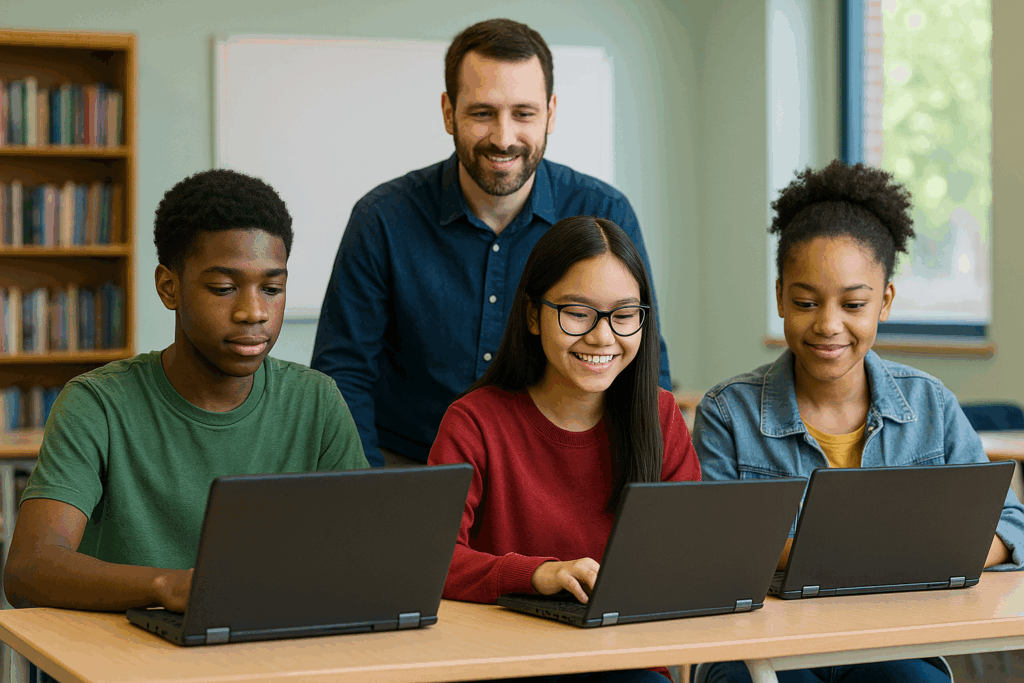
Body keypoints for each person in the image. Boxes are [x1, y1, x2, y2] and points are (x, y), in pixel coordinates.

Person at [691, 160, 1024, 683]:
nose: (828, 324)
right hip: (757, 651)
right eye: (805, 302)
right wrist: (868, 557)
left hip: (889, 647)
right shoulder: (727, 413)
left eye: (853, 304)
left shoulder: (930, 406)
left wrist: (921, 555)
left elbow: (1011, 526)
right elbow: (712, 546)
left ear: (884, 301)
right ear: (780, 297)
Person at [311, 18, 672, 468]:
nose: (504, 138)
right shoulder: (382, 218)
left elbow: (642, 360)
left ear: (551, 113)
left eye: (524, 113)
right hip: (411, 465)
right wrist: (370, 488)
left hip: (550, 474)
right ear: (449, 112)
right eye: (482, 113)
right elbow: (343, 372)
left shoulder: (604, 213)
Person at [4, 169, 368, 613]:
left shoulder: (316, 401)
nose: (253, 312)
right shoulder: (97, 404)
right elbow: (29, 570)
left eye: (272, 288)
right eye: (223, 288)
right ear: (168, 287)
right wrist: (166, 587)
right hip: (128, 664)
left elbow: (360, 558)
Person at [429, 216, 699, 683]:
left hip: (624, 664)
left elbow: (691, 556)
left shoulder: (660, 417)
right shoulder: (473, 422)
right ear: (534, 315)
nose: (602, 336)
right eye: (577, 312)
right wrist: (538, 575)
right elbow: (432, 559)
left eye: (624, 314)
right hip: (503, 664)